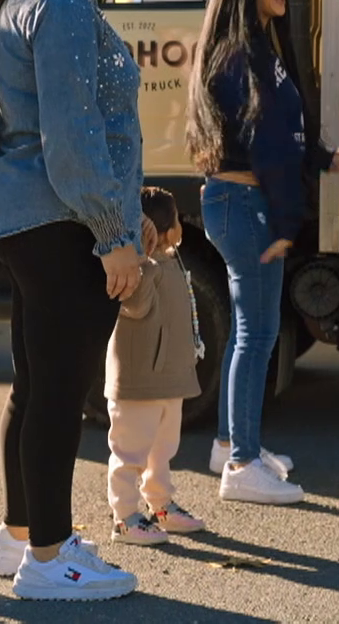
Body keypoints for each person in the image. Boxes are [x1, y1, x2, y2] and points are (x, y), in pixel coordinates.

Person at [0, 0, 146, 602]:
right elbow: (74, 138)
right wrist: (113, 233)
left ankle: (22, 537)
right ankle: (49, 558)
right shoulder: (58, 3)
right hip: (59, 217)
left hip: (28, 215)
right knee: (58, 392)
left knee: (35, 386)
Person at [187, 0, 339, 506]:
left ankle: (232, 445)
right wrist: (289, 223)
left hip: (245, 204)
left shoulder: (260, 47)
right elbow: (267, 151)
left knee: (247, 330)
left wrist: (324, 159)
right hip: (244, 205)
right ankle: (241, 466)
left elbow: (286, 138)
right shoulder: (239, 56)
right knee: (257, 333)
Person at [106, 187, 209, 547]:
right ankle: (124, 517)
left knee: (162, 449)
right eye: (178, 220)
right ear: (167, 229)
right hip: (139, 383)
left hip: (169, 381)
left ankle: (160, 505)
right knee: (129, 451)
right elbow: (132, 305)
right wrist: (142, 260)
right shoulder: (140, 268)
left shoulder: (173, 261)